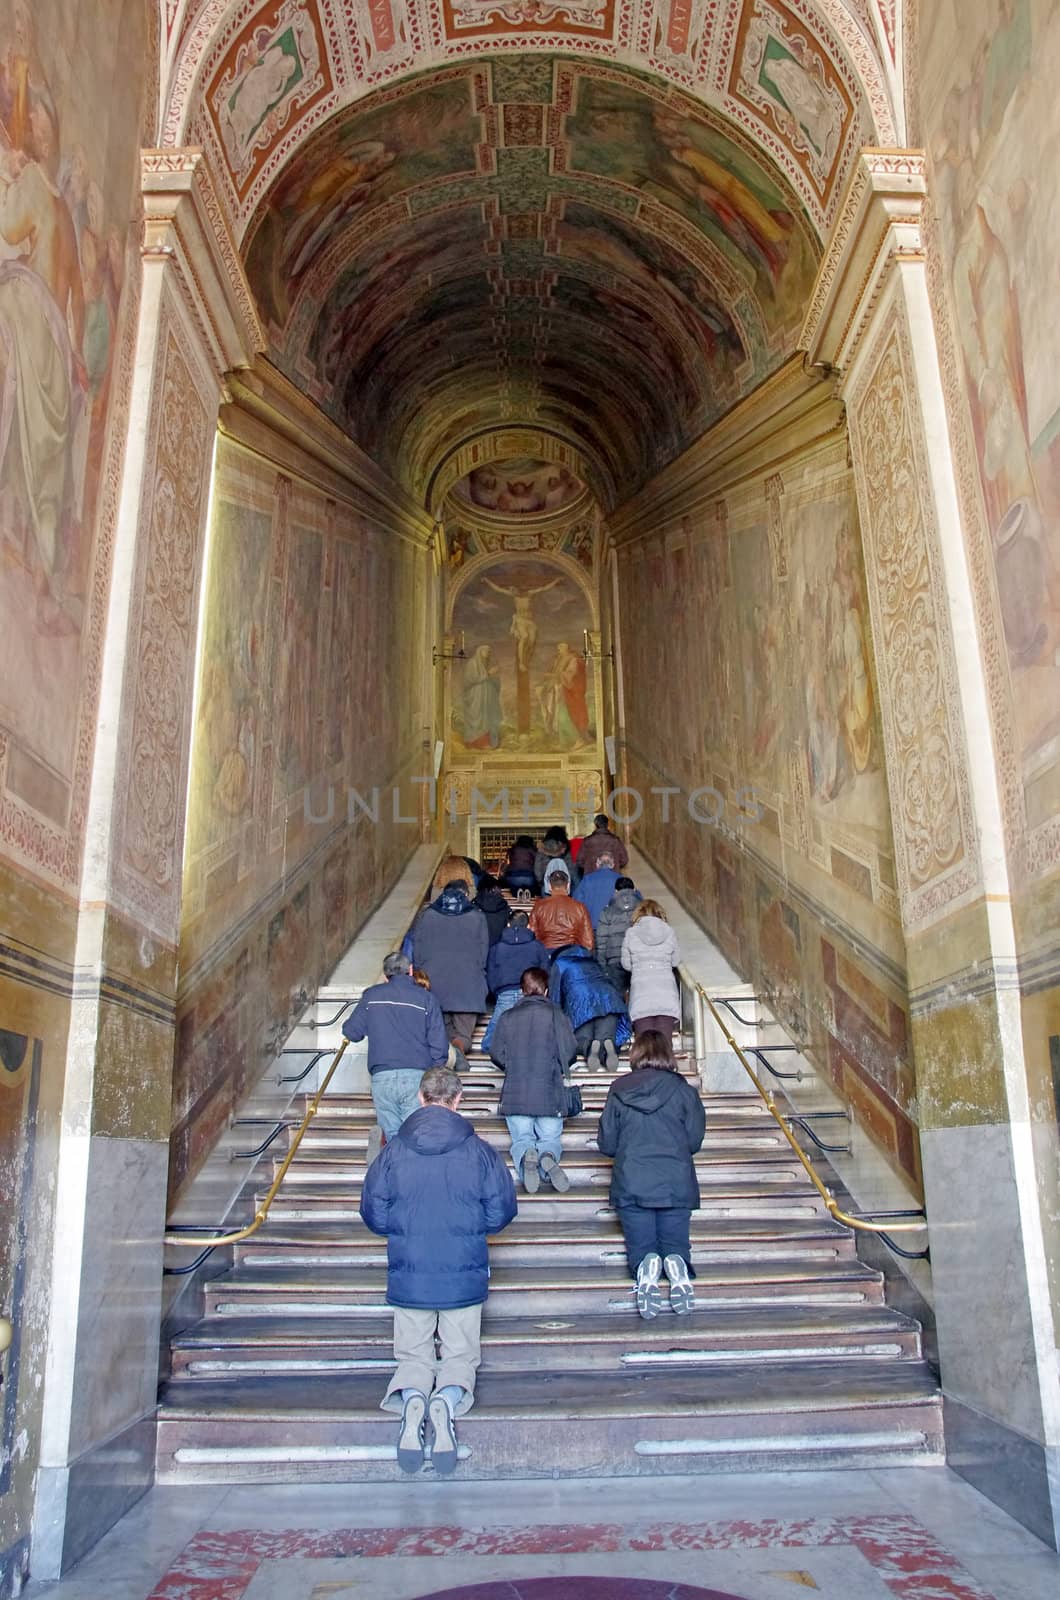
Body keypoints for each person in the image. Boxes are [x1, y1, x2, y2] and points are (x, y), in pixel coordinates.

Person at [360, 1066, 517, 1473]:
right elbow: (501, 1212)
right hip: (463, 1270)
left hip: (410, 1270)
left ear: (420, 1097)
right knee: (460, 1353)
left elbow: (373, 1213)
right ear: (458, 1099)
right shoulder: (479, 1150)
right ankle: (445, 1403)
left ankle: (413, 1402)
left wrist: (403, 1230)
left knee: (412, 1353)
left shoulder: (393, 1150)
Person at [596, 1030, 705, 1319]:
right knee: (676, 1242)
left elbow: (606, 1143)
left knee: (641, 1245)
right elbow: (694, 1141)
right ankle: (677, 1264)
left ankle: (645, 1269)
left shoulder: (619, 1090)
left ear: (636, 1054)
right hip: (676, 1180)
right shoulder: (684, 1091)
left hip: (632, 1179)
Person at [342, 952, 449, 1161]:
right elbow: (439, 1044)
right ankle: (402, 1168)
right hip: (416, 1075)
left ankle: (386, 1149)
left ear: (385, 975)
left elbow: (351, 1032)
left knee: (393, 1133)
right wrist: (436, 1072)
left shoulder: (371, 996)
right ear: (410, 971)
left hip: (382, 1075)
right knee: (413, 1133)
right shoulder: (427, 999)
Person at [489, 968, 578, 1194]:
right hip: (550, 1093)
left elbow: (496, 1054)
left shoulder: (508, 1017)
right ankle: (547, 1155)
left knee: (521, 1139)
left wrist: (513, 1067)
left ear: (522, 991)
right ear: (546, 990)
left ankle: (528, 1153)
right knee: (550, 1137)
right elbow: (569, 1053)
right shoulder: (557, 1015)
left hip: (516, 1093)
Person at [410, 877, 490, 1067]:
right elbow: (483, 952)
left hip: (434, 984)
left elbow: (418, 951)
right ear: (465, 894)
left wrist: (421, 974)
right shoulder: (477, 916)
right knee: (463, 1032)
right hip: (468, 985)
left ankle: (447, 1059)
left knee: (440, 1030)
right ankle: (459, 1049)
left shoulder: (426, 916)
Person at [548, 943, 631, 1072]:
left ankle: (588, 1046)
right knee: (606, 1036)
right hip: (609, 999)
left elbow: (555, 997)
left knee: (579, 1039)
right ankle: (608, 1046)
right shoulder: (593, 963)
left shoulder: (560, 963)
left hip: (580, 1004)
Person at [482, 909, 550, 1051]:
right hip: (531, 992)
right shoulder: (537, 946)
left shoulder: (497, 948)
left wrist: (497, 990)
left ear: (508, 925)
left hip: (505, 992)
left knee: (491, 1038)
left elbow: (491, 973)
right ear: (529, 926)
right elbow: (545, 971)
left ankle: (493, 1052)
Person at [622, 899, 681, 1037]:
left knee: (644, 1044)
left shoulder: (631, 933)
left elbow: (626, 964)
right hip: (666, 994)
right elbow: (675, 961)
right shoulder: (669, 932)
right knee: (665, 1045)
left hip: (641, 994)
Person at [594, 877, 642, 993]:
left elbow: (601, 940)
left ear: (615, 891)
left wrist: (602, 964)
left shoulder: (607, 911)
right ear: (634, 890)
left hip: (614, 959)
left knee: (617, 996)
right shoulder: (642, 909)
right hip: (637, 957)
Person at [529, 870, 594, 953]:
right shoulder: (579, 907)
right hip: (571, 953)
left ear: (549, 886)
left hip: (546, 952)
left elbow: (533, 935)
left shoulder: (539, 906)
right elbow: (588, 941)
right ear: (568, 885)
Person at [574, 850, 621, 931]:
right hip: (614, 926)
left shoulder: (587, 879)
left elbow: (576, 901)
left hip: (592, 925)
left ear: (597, 864)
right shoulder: (620, 879)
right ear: (612, 864)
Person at [534, 825, 576, 890]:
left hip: (547, 881)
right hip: (564, 882)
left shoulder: (542, 847)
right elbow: (570, 866)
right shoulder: (565, 846)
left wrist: (539, 880)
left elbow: (538, 865)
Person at [474, 873, 509, 946]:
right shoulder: (504, 906)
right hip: (498, 947)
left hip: (480, 947)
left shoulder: (474, 905)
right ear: (494, 889)